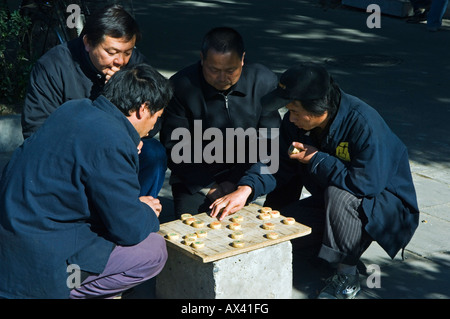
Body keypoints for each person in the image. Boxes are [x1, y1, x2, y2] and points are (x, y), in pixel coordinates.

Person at [210, 63, 420, 299]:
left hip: (382, 207)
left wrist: (317, 158)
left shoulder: (363, 124)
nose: (290, 117)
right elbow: (276, 161)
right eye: (288, 110)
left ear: (320, 109)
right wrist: (246, 189)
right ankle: (331, 250)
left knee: (339, 194)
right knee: (283, 233)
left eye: (295, 111)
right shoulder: (295, 124)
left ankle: (347, 275)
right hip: (331, 202)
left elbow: (365, 185)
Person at [0, 63, 173, 299]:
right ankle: (67, 289)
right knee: (153, 250)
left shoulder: (73, 109)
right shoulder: (113, 142)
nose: (154, 126)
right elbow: (129, 230)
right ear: (143, 109)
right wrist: (145, 211)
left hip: (14, 235)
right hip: (42, 262)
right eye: (157, 117)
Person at [21, 4, 166, 198]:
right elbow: (36, 130)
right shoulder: (54, 66)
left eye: (127, 52)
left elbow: (154, 119)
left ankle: (139, 211)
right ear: (88, 42)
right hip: (72, 154)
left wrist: (127, 98)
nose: (120, 61)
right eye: (112, 52)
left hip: (120, 147)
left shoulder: (135, 65)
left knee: (154, 153)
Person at [160, 27, 281, 218]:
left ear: (242, 59)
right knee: (192, 229)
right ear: (202, 59)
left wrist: (246, 187)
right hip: (196, 175)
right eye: (214, 70)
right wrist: (210, 187)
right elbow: (175, 148)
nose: (222, 78)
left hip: (245, 172)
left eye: (230, 70)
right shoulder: (181, 86)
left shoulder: (263, 82)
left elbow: (271, 145)